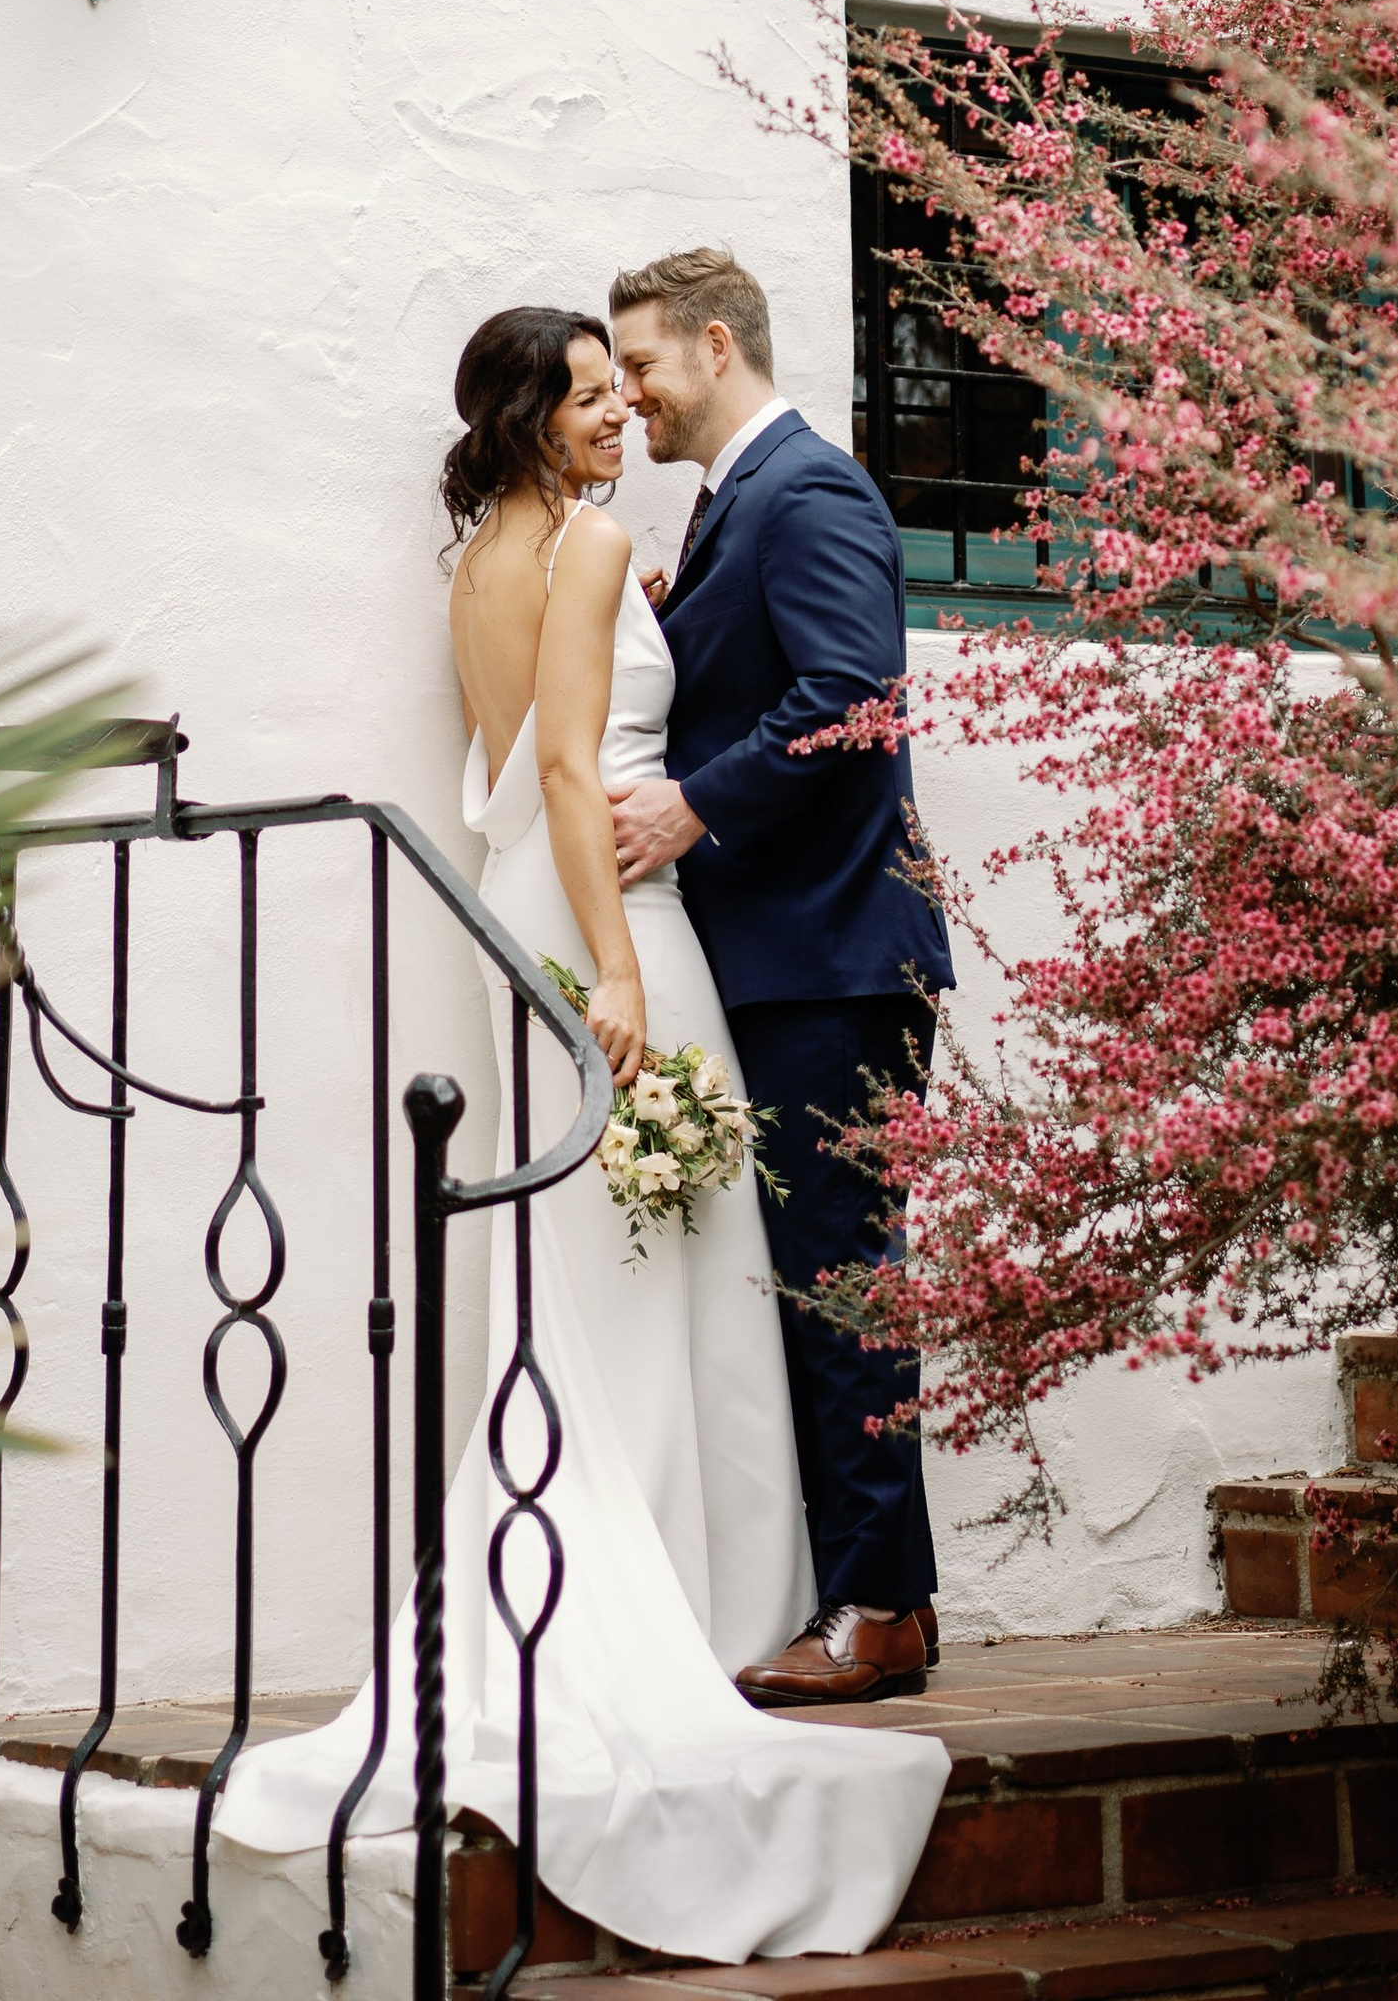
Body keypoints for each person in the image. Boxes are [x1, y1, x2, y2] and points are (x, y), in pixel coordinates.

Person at [217, 307, 945, 1959]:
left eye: (633, 391)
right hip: (610, 901)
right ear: (541, 417)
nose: (623, 418)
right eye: (598, 398)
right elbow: (561, 761)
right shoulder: (597, 539)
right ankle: (689, 1599)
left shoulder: (482, 555)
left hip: (518, 898)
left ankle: (618, 1573)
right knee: (667, 1229)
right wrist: (616, 960)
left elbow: (504, 755)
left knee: (599, 1235)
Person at [606, 247, 953, 1711]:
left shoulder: (806, 490)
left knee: (841, 1281)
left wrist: (693, 804)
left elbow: (852, 703)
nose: (628, 401)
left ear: (717, 342)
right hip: (785, 957)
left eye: (642, 368)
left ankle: (878, 1607)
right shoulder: (740, 500)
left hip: (831, 957)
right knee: (815, 1279)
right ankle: (875, 1596)